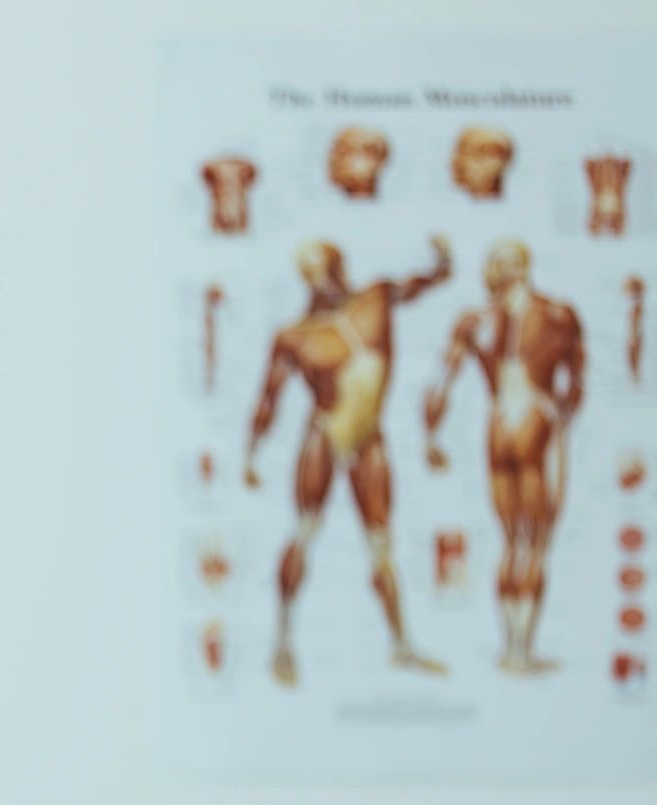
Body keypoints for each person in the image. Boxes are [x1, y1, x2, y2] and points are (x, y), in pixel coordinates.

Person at [244, 236, 452, 686]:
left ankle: (401, 645)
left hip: (369, 438)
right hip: (323, 434)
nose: (319, 278)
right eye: (310, 271)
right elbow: (269, 397)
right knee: (304, 532)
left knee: (382, 544)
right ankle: (282, 640)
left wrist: (441, 268)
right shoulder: (295, 336)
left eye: (324, 268)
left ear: (340, 267)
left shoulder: (374, 300)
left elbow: (412, 288)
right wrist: (253, 451)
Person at [423, 238, 586, 675]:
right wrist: (562, 415)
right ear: (526, 268)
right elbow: (576, 382)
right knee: (534, 543)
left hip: (497, 426)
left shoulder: (474, 321)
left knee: (510, 541)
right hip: (535, 418)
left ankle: (510, 646)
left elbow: (439, 385)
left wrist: (430, 439)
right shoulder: (557, 314)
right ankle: (521, 650)